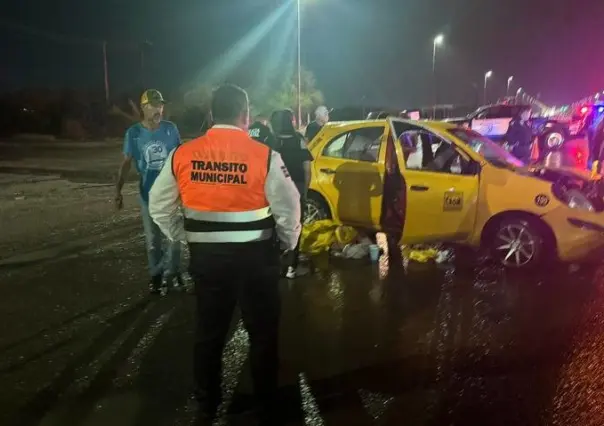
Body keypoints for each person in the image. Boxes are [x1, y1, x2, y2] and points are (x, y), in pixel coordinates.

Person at [148, 84, 301, 424]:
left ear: (213, 114)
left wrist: (185, 236)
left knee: (209, 333)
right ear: (245, 114)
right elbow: (289, 208)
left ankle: (207, 404)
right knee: (262, 334)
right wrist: (287, 243)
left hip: (208, 261)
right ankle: (264, 404)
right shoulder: (264, 155)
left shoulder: (183, 154)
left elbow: (158, 206)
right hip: (257, 260)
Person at [115, 89, 183, 295]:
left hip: (172, 196)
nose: (158, 109)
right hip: (148, 196)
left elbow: (181, 160)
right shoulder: (134, 134)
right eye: (153, 105)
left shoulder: (171, 129)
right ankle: (156, 277)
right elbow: (126, 163)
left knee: (175, 239)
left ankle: (173, 273)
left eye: (160, 105)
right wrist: (117, 190)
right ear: (144, 107)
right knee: (153, 242)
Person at [270, 109, 314, 279]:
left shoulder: (271, 141)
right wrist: (305, 191)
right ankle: (291, 267)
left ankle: (277, 264)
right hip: (296, 188)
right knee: (295, 226)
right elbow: (307, 169)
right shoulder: (299, 141)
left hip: (274, 190)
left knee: (275, 225)